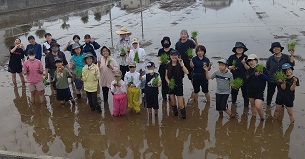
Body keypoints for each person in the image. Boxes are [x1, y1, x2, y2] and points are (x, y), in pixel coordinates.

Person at [165, 50, 189, 119]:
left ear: (178, 56)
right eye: (172, 55)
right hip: (171, 86)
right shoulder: (168, 65)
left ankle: (184, 117)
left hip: (179, 86)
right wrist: (168, 82)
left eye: (175, 55)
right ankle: (175, 115)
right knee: (173, 103)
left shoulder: (180, 64)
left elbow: (187, 72)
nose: (174, 56)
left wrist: (182, 64)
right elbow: (166, 76)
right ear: (170, 56)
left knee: (181, 105)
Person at [246, 54, 269, 120]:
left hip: (259, 91)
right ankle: (253, 118)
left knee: (258, 106)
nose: (250, 62)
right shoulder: (249, 71)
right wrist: (251, 76)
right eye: (249, 61)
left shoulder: (262, 68)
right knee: (252, 105)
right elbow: (246, 81)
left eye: (252, 60)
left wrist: (261, 74)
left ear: (256, 60)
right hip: (250, 90)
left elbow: (268, 79)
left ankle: (262, 118)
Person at [227, 42, 250, 107]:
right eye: (238, 48)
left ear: (243, 49)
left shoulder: (246, 57)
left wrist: (244, 63)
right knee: (234, 93)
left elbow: (249, 68)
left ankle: (246, 106)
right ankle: (233, 105)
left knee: (245, 93)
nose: (239, 49)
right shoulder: (231, 57)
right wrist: (230, 67)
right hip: (234, 78)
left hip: (244, 78)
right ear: (235, 49)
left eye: (241, 48)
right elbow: (227, 65)